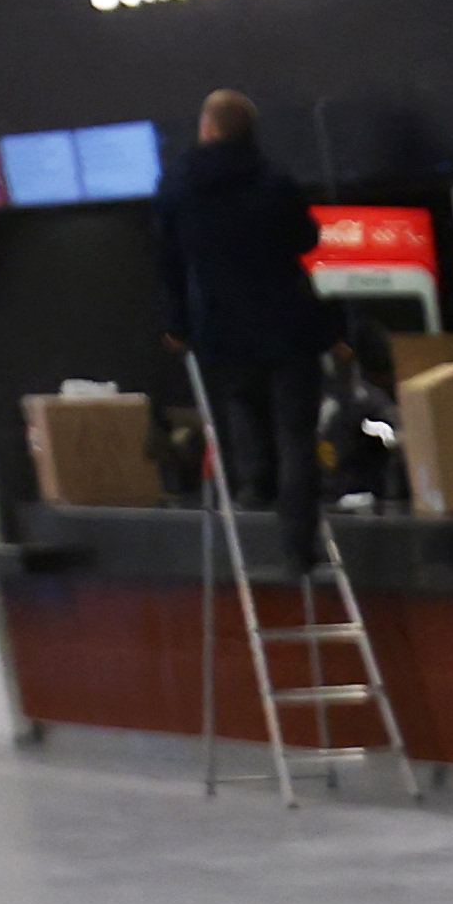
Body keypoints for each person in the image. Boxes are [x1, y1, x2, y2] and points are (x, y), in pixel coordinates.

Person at [154, 89, 331, 571]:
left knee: (242, 407)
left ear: (208, 129)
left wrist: (177, 323)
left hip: (220, 326)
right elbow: (306, 237)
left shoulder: (178, 186)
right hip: (286, 322)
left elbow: (169, 258)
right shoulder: (273, 181)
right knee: (296, 432)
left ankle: (256, 487)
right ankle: (299, 546)